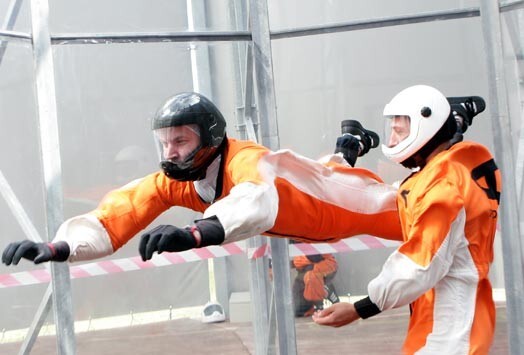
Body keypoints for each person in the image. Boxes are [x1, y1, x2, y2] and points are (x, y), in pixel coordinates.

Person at [2, 92, 402, 266]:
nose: (170, 152)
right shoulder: (175, 179)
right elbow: (119, 212)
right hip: (304, 207)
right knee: (331, 166)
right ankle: (350, 141)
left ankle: (425, 137)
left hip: (335, 209)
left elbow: (256, 201)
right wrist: (59, 246)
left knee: (400, 206)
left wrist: (195, 234)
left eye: (180, 140)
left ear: (209, 137)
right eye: (164, 142)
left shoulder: (246, 161)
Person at [313, 85, 501, 354]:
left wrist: (360, 308)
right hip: (448, 311)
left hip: (449, 330)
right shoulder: (460, 166)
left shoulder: (442, 188)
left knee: (350, 199)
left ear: (429, 127)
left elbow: (418, 265)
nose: (391, 141)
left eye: (399, 132)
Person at [292, 252, 339, 317]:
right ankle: (324, 291)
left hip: (323, 264)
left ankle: (320, 304)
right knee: (297, 310)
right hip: (303, 268)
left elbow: (316, 257)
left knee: (311, 277)